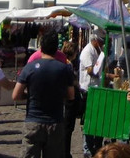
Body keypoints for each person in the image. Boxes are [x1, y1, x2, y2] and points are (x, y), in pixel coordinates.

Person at [14, 31, 76, 158]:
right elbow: (71, 95)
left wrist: (29, 96)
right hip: (55, 122)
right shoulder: (65, 69)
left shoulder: (29, 67)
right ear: (57, 49)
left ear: (41, 47)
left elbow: (15, 95)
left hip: (33, 121)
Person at [79, 29, 108, 157]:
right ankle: (87, 148)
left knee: (97, 119)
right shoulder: (87, 51)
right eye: (101, 41)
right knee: (89, 119)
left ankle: (96, 145)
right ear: (95, 40)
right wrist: (105, 75)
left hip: (97, 89)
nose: (102, 44)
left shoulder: (99, 51)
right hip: (88, 89)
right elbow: (90, 70)